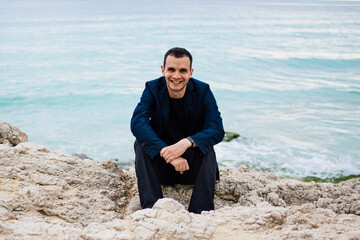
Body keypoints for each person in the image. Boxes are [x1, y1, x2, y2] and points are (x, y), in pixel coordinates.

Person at [130, 47, 224, 214]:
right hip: (161, 167)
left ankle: (201, 211)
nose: (176, 76)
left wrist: (186, 143)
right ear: (163, 70)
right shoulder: (152, 88)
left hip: (191, 169)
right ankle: (152, 209)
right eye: (171, 69)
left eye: (183, 71)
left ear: (191, 72)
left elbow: (216, 129)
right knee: (140, 143)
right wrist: (167, 152)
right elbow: (137, 123)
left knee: (207, 147)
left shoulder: (203, 91)